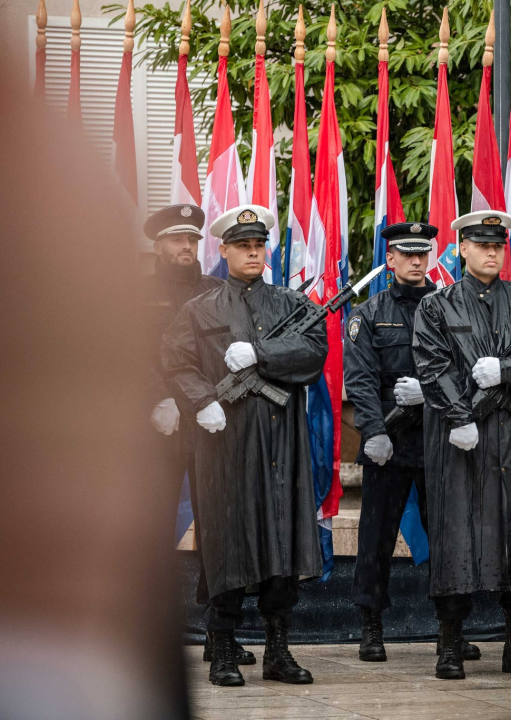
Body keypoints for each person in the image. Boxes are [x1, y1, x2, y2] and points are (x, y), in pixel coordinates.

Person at [161, 205, 328, 687]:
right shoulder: (199, 309)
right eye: (243, 246)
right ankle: (222, 649)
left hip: (281, 442)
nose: (253, 253)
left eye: (259, 245)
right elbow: (176, 361)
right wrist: (201, 401)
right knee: (226, 542)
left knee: (283, 540)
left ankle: (278, 650)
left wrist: (262, 352)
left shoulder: (292, 305)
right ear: (224, 250)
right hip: (225, 442)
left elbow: (314, 351)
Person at [412, 210, 511, 680]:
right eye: (482, 245)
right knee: (455, 536)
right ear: (462, 249)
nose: (492, 253)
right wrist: (459, 416)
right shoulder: (436, 306)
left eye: (498, 246)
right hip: (460, 441)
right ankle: (450, 643)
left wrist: (507, 371)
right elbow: (432, 365)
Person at [343, 222, 479, 664]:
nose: (417, 261)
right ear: (391, 259)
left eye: (423, 253)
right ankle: (371, 626)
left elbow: (470, 369)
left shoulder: (452, 309)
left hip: (441, 436)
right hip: (389, 438)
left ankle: (450, 629)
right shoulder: (368, 313)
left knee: (449, 537)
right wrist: (373, 431)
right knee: (376, 538)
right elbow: (360, 379)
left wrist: (432, 392)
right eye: (408, 253)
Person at [140, 205, 257, 668]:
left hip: (211, 423)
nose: (186, 246)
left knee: (219, 532)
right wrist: (158, 399)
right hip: (156, 429)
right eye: (176, 239)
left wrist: (201, 400)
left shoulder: (217, 291)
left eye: (192, 239)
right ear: (157, 246)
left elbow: (228, 354)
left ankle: (218, 633)